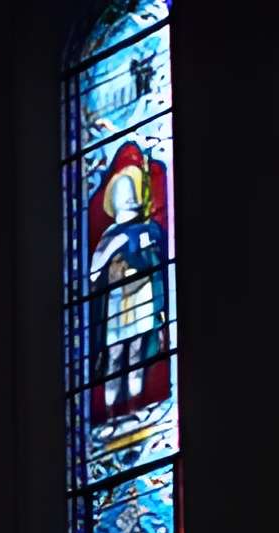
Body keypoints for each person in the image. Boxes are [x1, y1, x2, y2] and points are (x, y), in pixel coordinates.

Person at [89, 160, 168, 417]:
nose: (128, 198)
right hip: (115, 300)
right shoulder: (111, 234)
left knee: (136, 353)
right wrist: (117, 244)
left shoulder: (147, 229)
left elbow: (156, 261)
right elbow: (93, 272)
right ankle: (112, 413)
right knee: (114, 356)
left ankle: (135, 408)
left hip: (141, 296)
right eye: (122, 194)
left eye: (130, 193)